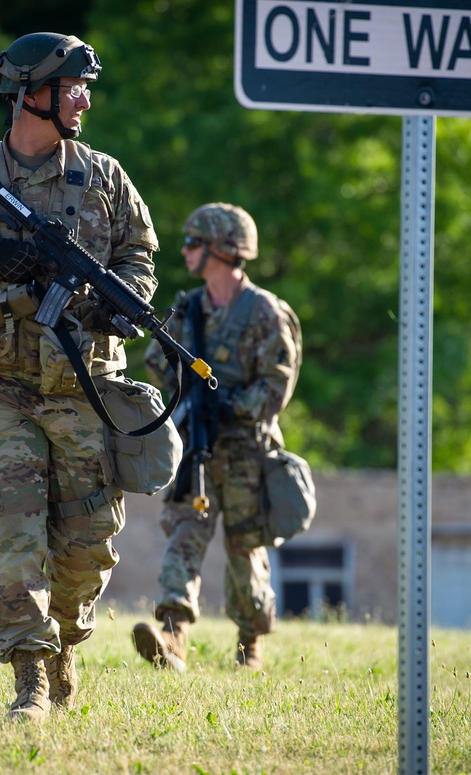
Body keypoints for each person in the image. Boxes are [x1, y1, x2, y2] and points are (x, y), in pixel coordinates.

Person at [0, 32, 159, 722]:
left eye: (85, 87)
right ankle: (29, 681)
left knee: (87, 544)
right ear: (31, 95)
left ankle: (64, 643)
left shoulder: (105, 177)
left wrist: (118, 297)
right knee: (15, 533)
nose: (85, 98)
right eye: (73, 86)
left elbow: (140, 258)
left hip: (80, 385)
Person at [132, 203, 301, 672]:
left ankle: (250, 647)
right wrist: (188, 388)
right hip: (199, 445)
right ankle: (173, 637)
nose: (184, 251)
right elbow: (155, 359)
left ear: (223, 251)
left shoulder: (264, 312)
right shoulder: (188, 308)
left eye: (193, 243)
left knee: (246, 546)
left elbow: (277, 382)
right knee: (184, 532)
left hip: (247, 447)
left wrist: (231, 404)